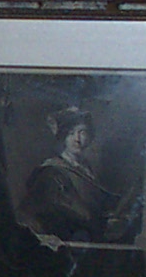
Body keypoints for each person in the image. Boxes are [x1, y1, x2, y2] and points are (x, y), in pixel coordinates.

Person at [15, 106, 139, 249]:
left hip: (88, 243)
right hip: (64, 245)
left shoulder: (85, 169)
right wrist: (41, 236)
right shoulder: (51, 172)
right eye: (71, 133)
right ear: (63, 137)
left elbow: (98, 202)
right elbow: (28, 213)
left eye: (82, 132)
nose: (77, 139)